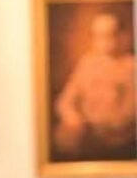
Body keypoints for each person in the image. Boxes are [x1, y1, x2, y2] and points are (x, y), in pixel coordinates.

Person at [53, 12, 136, 161]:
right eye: (99, 36)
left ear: (124, 36)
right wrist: (72, 117)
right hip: (91, 135)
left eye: (110, 35)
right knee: (63, 138)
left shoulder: (132, 66)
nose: (104, 41)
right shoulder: (87, 64)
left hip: (126, 139)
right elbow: (65, 101)